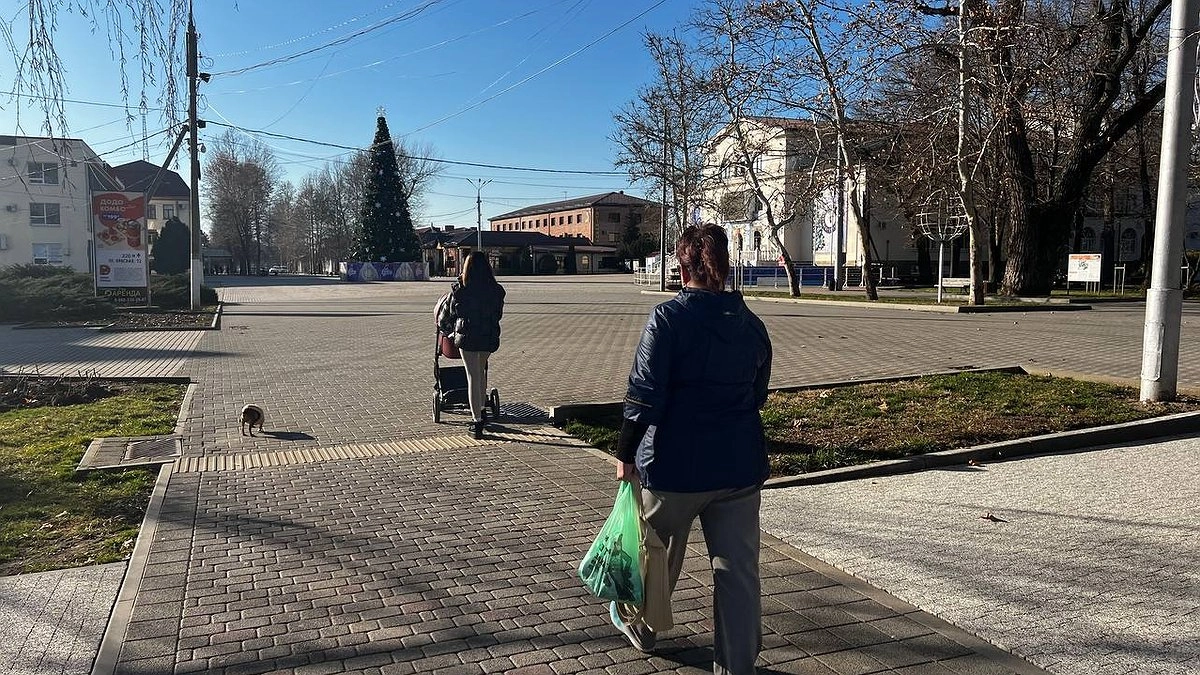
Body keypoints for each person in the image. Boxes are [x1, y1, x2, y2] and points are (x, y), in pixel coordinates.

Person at [612, 224, 772, 675]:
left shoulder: (667, 319)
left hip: (673, 468)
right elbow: (757, 395)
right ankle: (737, 665)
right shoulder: (752, 325)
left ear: (682, 270)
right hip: (738, 468)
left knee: (654, 552)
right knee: (737, 572)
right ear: (724, 268)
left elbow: (643, 396)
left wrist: (625, 455)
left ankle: (643, 628)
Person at [436, 251, 506, 439]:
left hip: (467, 337)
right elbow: (498, 314)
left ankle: (477, 422)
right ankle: (482, 409)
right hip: (488, 337)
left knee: (472, 376)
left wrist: (451, 332)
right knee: (480, 372)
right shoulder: (496, 290)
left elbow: (444, 318)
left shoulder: (460, 290)